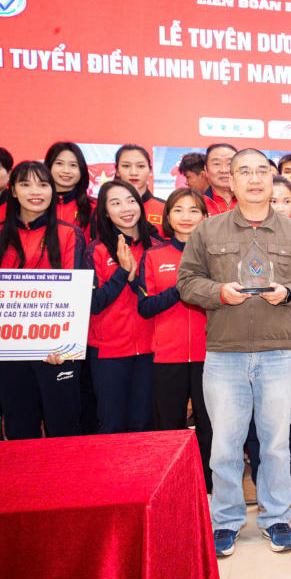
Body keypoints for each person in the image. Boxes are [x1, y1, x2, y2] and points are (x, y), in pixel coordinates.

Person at [177, 148, 291, 557]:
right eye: (245, 171)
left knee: (275, 444)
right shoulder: (208, 231)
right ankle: (225, 521)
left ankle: (276, 516)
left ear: (273, 178)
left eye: (262, 171)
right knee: (225, 446)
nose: (255, 179)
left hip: (280, 354)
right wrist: (218, 292)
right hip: (225, 355)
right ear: (231, 179)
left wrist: (290, 293)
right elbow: (187, 282)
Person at [244, 175, 291, 516]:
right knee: (259, 423)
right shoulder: (245, 241)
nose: (280, 207)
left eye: (287, 200)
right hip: (254, 347)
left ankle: (289, 486)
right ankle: (265, 490)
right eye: (274, 200)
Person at [135, 188, 212, 493]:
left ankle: (209, 489)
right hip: (167, 356)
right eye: (178, 210)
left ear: (204, 217)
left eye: (194, 210)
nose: (186, 217)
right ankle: (173, 491)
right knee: (168, 428)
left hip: (212, 354)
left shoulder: (215, 255)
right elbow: (145, 307)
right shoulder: (153, 256)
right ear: (167, 217)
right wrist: (182, 288)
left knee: (210, 426)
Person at [0, 161, 84, 439]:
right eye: (25, 184)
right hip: (9, 353)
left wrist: (64, 345)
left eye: (43, 184)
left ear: (52, 190)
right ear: (13, 191)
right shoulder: (2, 233)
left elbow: (75, 295)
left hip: (57, 352)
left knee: (64, 432)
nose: (35, 191)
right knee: (19, 432)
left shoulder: (69, 234)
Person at [86, 179, 160, 434]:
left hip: (151, 349)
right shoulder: (95, 250)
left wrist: (133, 278)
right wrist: (122, 272)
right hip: (109, 352)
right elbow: (94, 304)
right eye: (115, 203)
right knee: (113, 425)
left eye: (130, 201)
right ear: (105, 212)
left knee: (144, 424)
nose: (126, 208)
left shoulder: (156, 246)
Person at [45, 142, 94, 236]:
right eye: (59, 163)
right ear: (49, 166)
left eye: (73, 165)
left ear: (82, 169)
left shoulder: (95, 208)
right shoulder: (35, 205)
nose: (66, 171)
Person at [115, 144, 164, 235]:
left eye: (140, 166)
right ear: (117, 171)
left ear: (150, 171)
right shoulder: (105, 208)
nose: (133, 172)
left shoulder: (165, 208)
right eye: (126, 166)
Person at [204, 143, 238, 214]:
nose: (224, 170)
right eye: (216, 164)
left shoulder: (254, 201)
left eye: (230, 164)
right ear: (206, 170)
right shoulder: (198, 204)